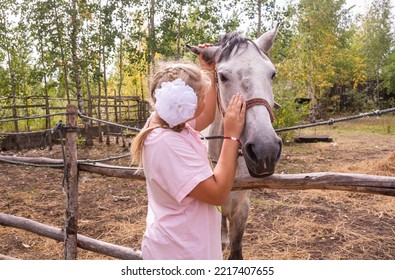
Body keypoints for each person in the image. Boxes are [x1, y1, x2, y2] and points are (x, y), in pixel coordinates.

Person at [131, 48, 246, 260]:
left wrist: (210, 70)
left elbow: (207, 116)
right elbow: (218, 193)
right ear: (187, 104)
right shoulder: (168, 143)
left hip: (182, 244)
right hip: (182, 253)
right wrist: (231, 136)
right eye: (201, 97)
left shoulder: (166, 122)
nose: (204, 103)